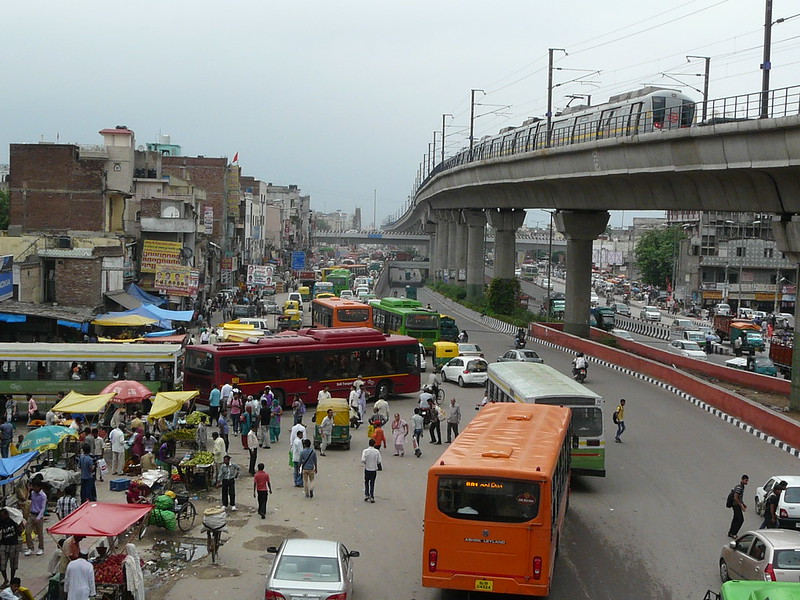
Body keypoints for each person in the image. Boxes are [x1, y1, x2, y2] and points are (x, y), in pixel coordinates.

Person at [0, 508, 22, 588]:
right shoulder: (1, 522)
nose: (2, 517)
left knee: (13, 564)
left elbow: (20, 532)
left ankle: (12, 579)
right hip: (3, 544)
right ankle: (5, 579)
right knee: (2, 564)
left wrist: (19, 526)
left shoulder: (13, 521)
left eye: (3, 515)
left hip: (13, 544)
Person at [24, 482, 45, 556]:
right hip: (31, 514)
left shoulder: (43, 496)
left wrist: (39, 517)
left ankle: (41, 548)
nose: (34, 489)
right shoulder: (32, 493)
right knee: (27, 531)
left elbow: (43, 508)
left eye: (35, 487)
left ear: (39, 487)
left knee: (39, 533)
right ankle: (30, 547)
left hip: (38, 515)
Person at [361, 438, 382, 503]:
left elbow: (362, 460)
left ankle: (367, 494)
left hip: (367, 469)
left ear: (369, 444)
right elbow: (379, 461)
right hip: (374, 469)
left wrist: (366, 462)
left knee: (366, 481)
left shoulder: (365, 451)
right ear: (374, 444)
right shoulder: (376, 451)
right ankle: (372, 496)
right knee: (372, 483)